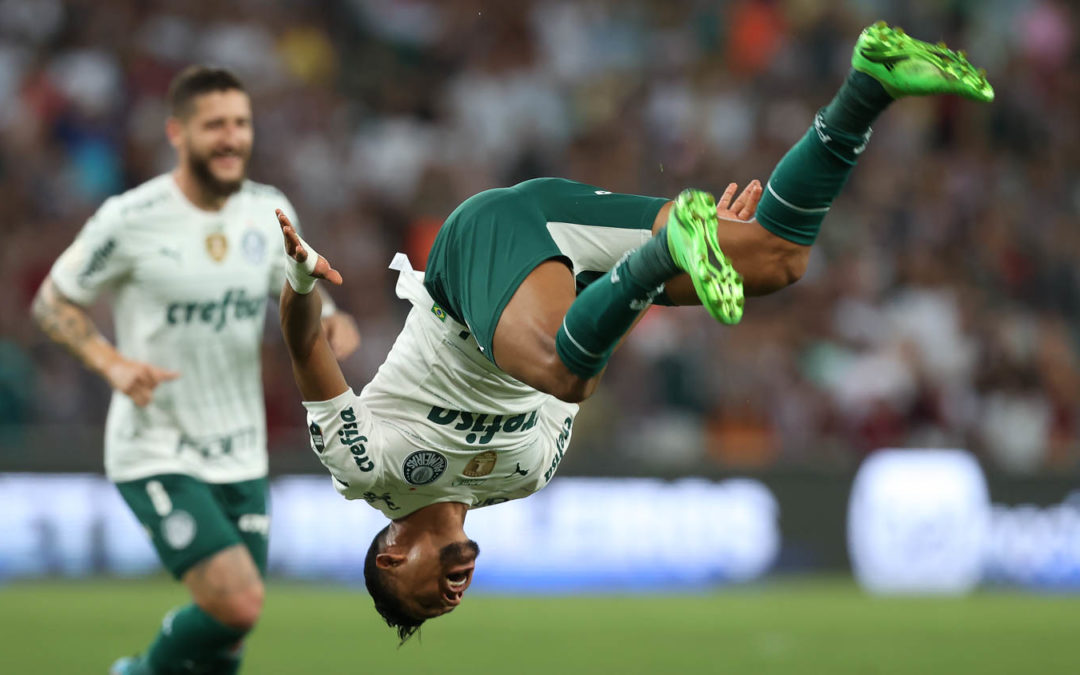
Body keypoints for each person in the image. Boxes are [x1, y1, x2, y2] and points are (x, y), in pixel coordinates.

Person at [276, 22, 992, 643]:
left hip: (478, 255)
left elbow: (308, 345)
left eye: (431, 595)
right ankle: (869, 83)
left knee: (555, 365)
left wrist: (302, 280)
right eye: (450, 606)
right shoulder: (529, 472)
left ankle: (670, 242)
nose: (453, 592)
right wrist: (648, 276)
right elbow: (595, 348)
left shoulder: (365, 469)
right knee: (773, 258)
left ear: (391, 557)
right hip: (561, 264)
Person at [31, 66, 360, 674]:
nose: (232, 137)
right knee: (237, 604)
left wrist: (333, 319)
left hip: (241, 450)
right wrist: (111, 362)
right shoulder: (131, 216)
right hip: (158, 446)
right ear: (177, 133)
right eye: (215, 126)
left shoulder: (270, 210)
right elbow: (52, 300)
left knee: (228, 636)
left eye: (241, 123)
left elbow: (300, 291)